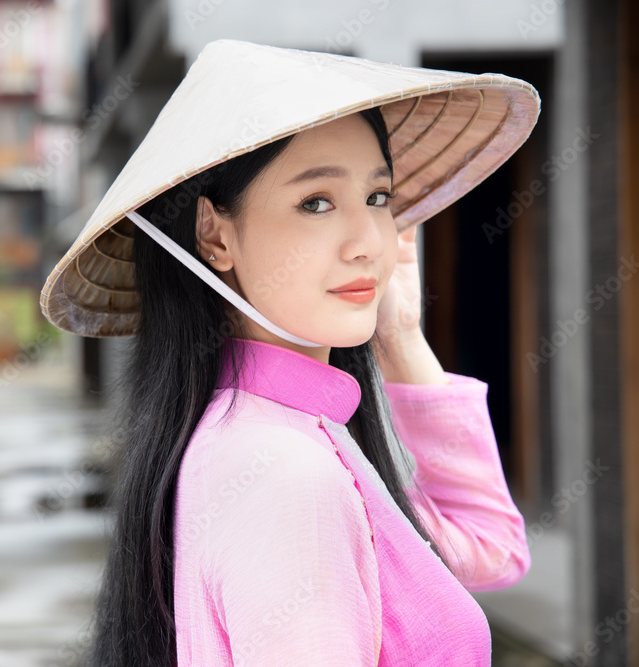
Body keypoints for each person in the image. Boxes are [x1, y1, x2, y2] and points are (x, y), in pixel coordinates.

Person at [40, 40, 540, 666]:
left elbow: (491, 551)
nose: (367, 243)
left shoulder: (289, 430)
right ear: (214, 236)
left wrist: (402, 337)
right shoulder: (283, 470)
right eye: (317, 203)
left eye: (378, 198)